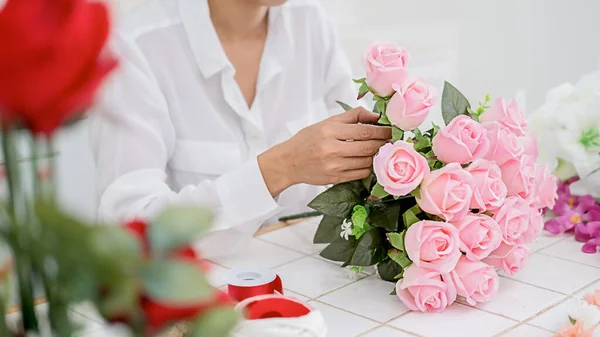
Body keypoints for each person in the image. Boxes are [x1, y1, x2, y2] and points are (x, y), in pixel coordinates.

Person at [90, 0, 391, 256]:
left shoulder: (310, 21)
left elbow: (358, 156)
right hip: (197, 296)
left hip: (311, 273)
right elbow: (127, 229)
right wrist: (279, 168)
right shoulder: (137, 48)